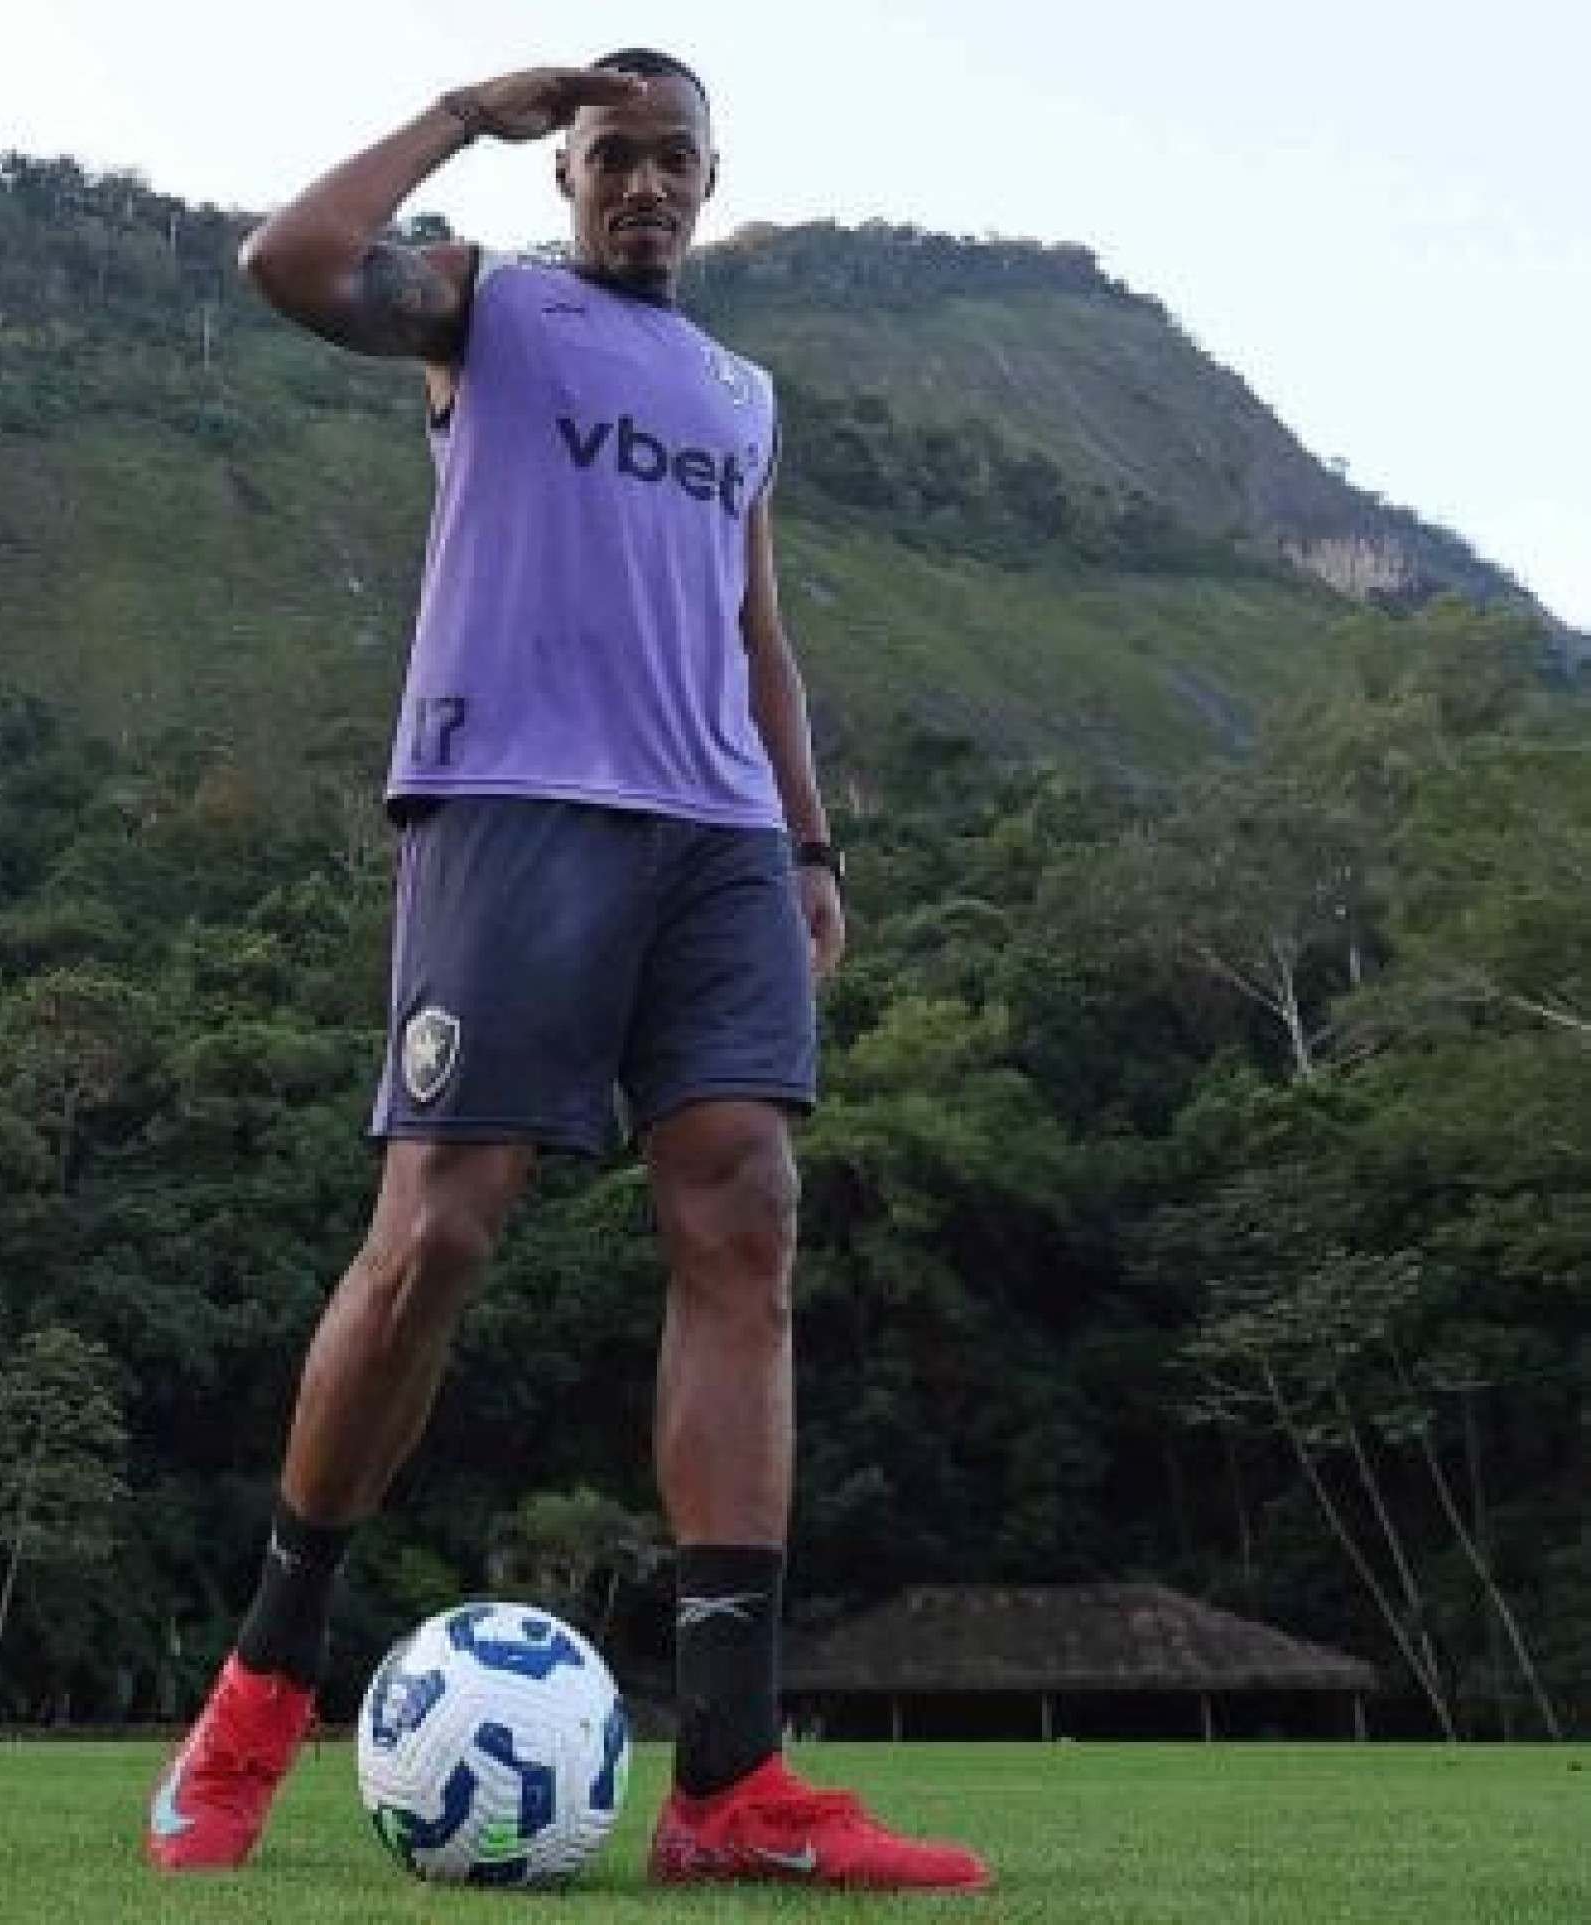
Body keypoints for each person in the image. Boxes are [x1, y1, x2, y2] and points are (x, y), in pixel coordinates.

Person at [142, 49, 990, 1892]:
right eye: (613, 156)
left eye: (674, 159)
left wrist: (810, 845)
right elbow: (290, 262)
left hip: (718, 837)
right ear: (567, 172)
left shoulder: (742, 395)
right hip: (513, 803)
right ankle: (260, 1691)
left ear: (710, 179)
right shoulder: (488, 307)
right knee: (438, 1230)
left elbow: (756, 629)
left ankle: (731, 1783)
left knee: (745, 1216)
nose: (645, 185)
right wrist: (464, 110)